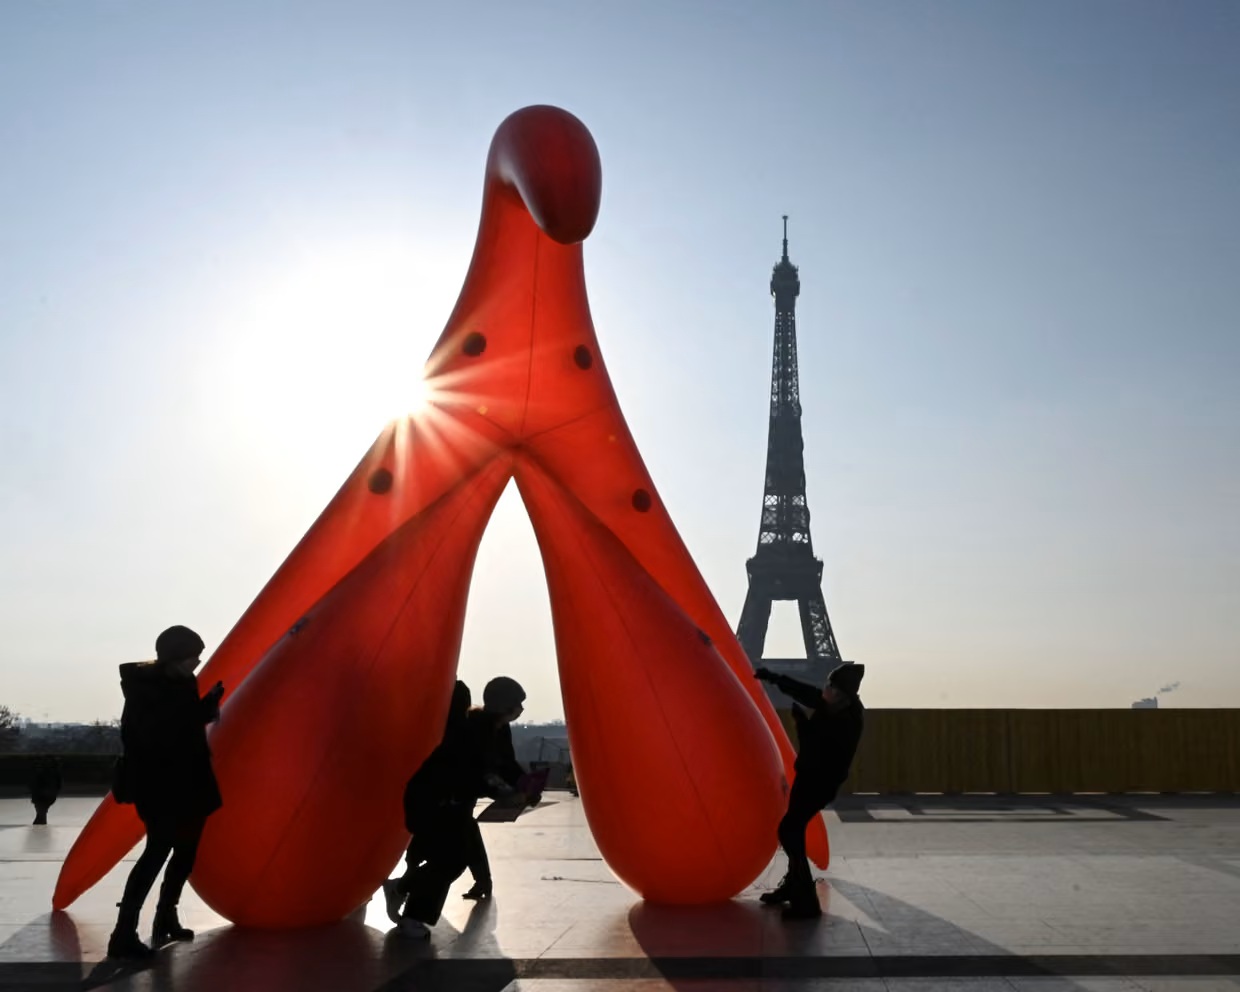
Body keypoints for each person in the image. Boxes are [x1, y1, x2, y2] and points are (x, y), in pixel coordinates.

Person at [106, 626, 224, 959]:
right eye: (192, 656)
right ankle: (123, 932)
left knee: (185, 851)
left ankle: (165, 916)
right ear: (174, 656)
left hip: (188, 780)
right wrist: (198, 713)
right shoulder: (145, 688)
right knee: (156, 852)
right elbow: (155, 735)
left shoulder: (181, 682)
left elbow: (182, 723)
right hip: (159, 785)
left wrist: (207, 704)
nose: (197, 662)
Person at [390, 676, 539, 937]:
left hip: (454, 804)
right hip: (432, 801)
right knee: (450, 859)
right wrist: (505, 793)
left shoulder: (499, 730)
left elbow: (507, 765)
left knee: (452, 858)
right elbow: (477, 773)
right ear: (504, 705)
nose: (521, 710)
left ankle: (401, 890)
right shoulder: (472, 729)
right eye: (518, 704)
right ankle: (412, 916)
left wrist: (526, 787)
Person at [754, 661, 865, 920]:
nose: (823, 689)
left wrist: (801, 724)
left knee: (789, 829)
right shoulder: (839, 706)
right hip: (811, 780)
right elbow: (806, 692)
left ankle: (805, 900)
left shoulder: (845, 720)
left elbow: (816, 747)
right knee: (794, 829)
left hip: (819, 783)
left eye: (829, 685)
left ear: (839, 693)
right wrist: (774, 678)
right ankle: (794, 886)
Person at [30, 756, 62, 825]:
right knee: (42, 810)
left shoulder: (45, 772)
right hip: (46, 794)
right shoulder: (54, 773)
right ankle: (41, 821)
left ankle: (40, 821)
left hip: (43, 794)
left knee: (41, 810)